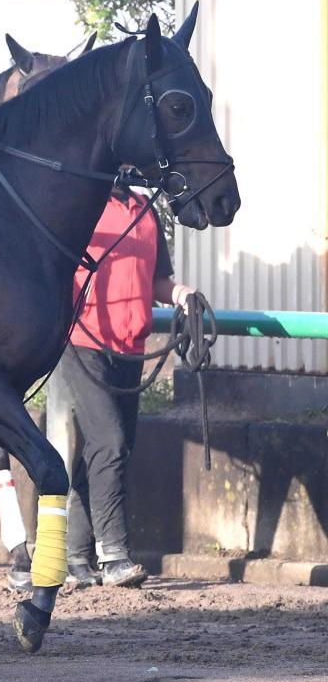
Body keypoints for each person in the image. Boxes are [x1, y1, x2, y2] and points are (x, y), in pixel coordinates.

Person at [49, 186, 195, 587]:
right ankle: (113, 555)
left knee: (109, 448)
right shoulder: (82, 202)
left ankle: (76, 555)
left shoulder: (146, 210)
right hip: (83, 341)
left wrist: (182, 294)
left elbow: (157, 279)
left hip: (130, 346)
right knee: (110, 442)